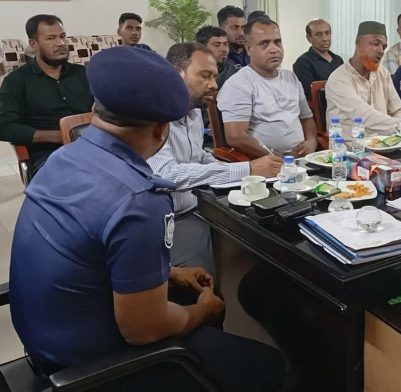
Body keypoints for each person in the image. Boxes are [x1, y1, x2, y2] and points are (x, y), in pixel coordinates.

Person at [9, 46, 284, 391]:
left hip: (44, 340)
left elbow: (90, 251)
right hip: (94, 368)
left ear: (95, 111)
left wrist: (168, 273)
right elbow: (144, 330)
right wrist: (205, 312)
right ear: (161, 130)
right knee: (266, 365)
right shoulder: (140, 199)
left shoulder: (63, 158)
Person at [148, 43, 282, 276]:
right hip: (170, 219)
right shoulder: (154, 117)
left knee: (262, 241)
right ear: (177, 74)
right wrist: (247, 169)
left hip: (201, 205)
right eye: (205, 76)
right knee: (207, 275)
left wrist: (239, 172)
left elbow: (198, 155)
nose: (214, 84)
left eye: (214, 76)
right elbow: (167, 175)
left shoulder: (193, 112)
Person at [0, 14, 94, 175]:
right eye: (51, 38)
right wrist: (60, 136)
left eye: (63, 37)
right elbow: (4, 126)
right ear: (34, 44)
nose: (61, 43)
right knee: (85, 177)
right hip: (49, 155)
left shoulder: (84, 74)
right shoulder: (17, 81)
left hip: (93, 146)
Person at [218, 16, 317, 158]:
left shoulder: (290, 78)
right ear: (249, 48)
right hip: (265, 162)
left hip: (302, 159)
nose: (273, 49)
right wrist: (280, 159)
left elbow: (306, 118)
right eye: (264, 43)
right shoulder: (238, 84)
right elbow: (236, 137)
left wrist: (311, 142)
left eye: (277, 42)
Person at [325, 21, 401, 138]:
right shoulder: (338, 79)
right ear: (358, 42)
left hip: (384, 143)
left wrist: (399, 132)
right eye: (376, 44)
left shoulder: (383, 73)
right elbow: (364, 116)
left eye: (384, 47)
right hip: (349, 146)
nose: (381, 51)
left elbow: (397, 110)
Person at [293, 18, 344, 99]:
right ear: (309, 38)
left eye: (327, 33)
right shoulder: (302, 63)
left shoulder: (338, 60)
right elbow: (309, 95)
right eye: (318, 34)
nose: (325, 39)